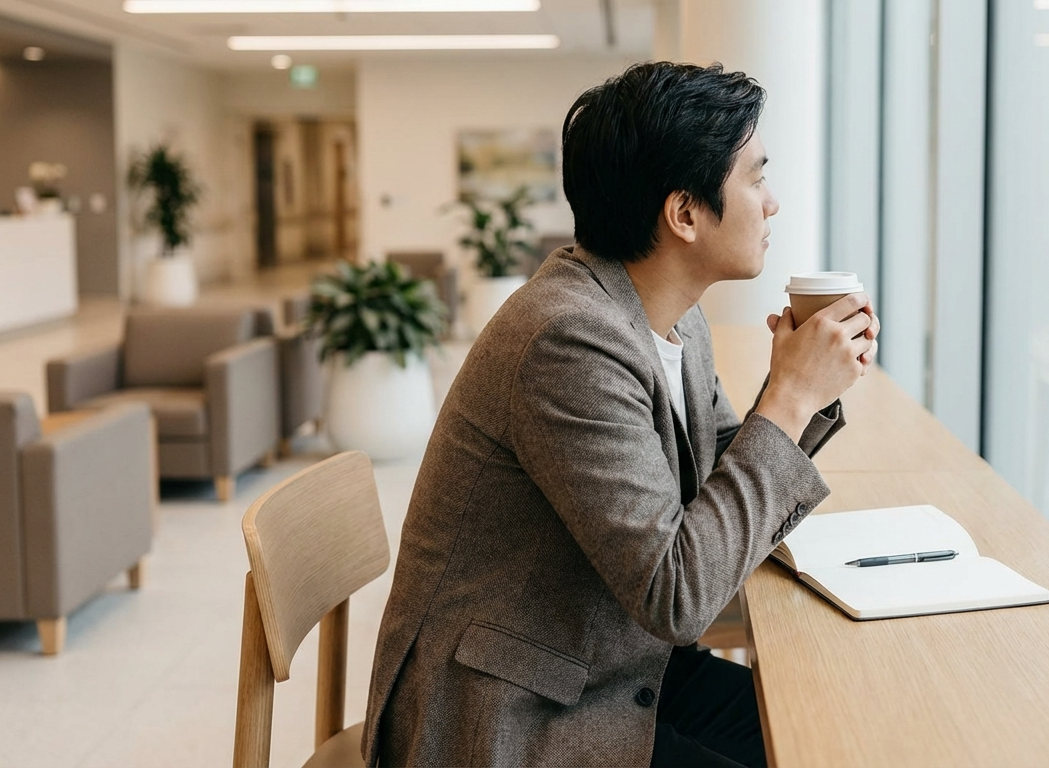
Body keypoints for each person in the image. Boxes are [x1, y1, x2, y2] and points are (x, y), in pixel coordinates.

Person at [361, 61, 879, 768]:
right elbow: (678, 595)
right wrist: (787, 399)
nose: (773, 202)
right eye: (756, 178)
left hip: (608, 668)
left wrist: (804, 390)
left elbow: (717, 479)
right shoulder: (568, 339)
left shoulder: (668, 315)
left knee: (828, 732)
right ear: (685, 213)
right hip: (510, 713)